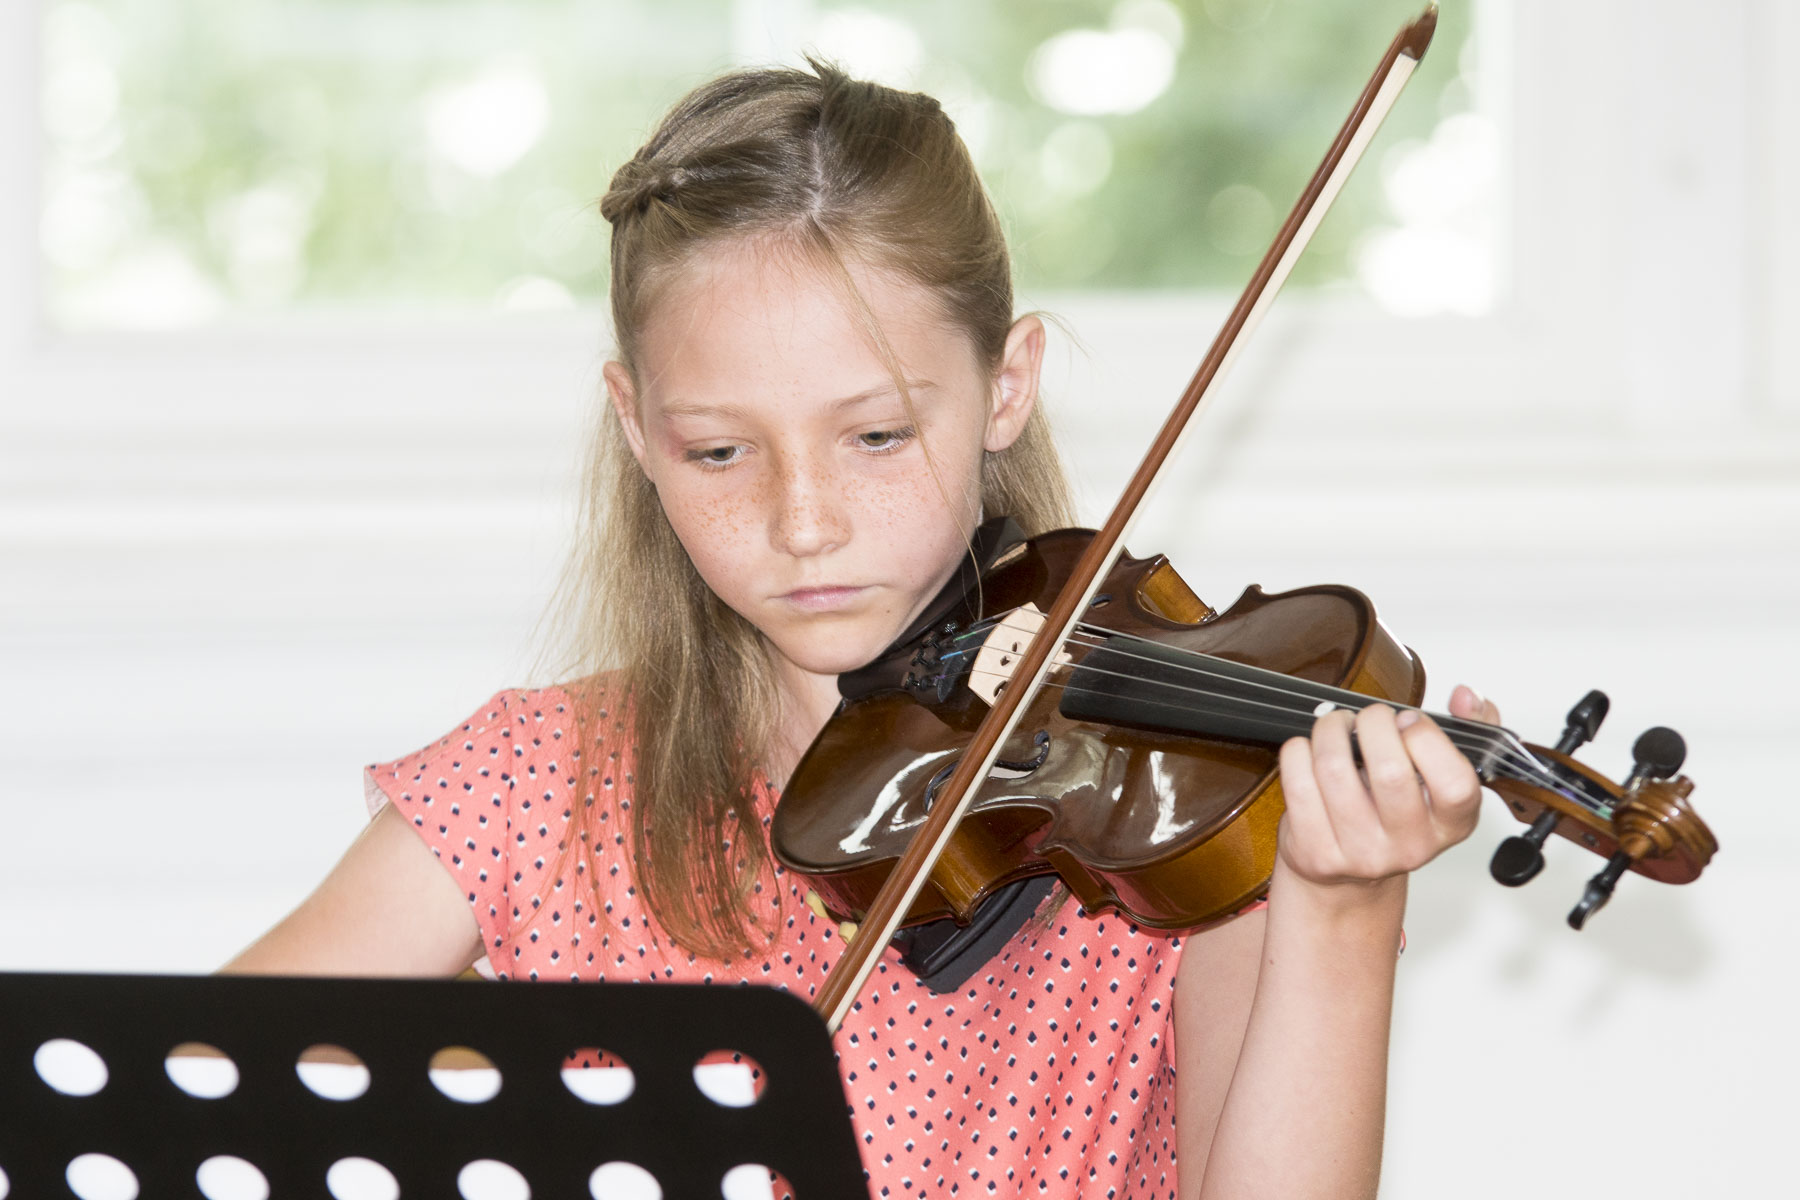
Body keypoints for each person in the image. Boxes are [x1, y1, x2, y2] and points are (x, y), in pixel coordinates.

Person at [224, 60, 1502, 1200]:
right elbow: (195, 1091)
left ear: (1006, 384)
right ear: (636, 426)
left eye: (877, 435)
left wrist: (1340, 905)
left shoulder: (1179, 815)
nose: (804, 522)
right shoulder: (544, 784)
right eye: (719, 451)